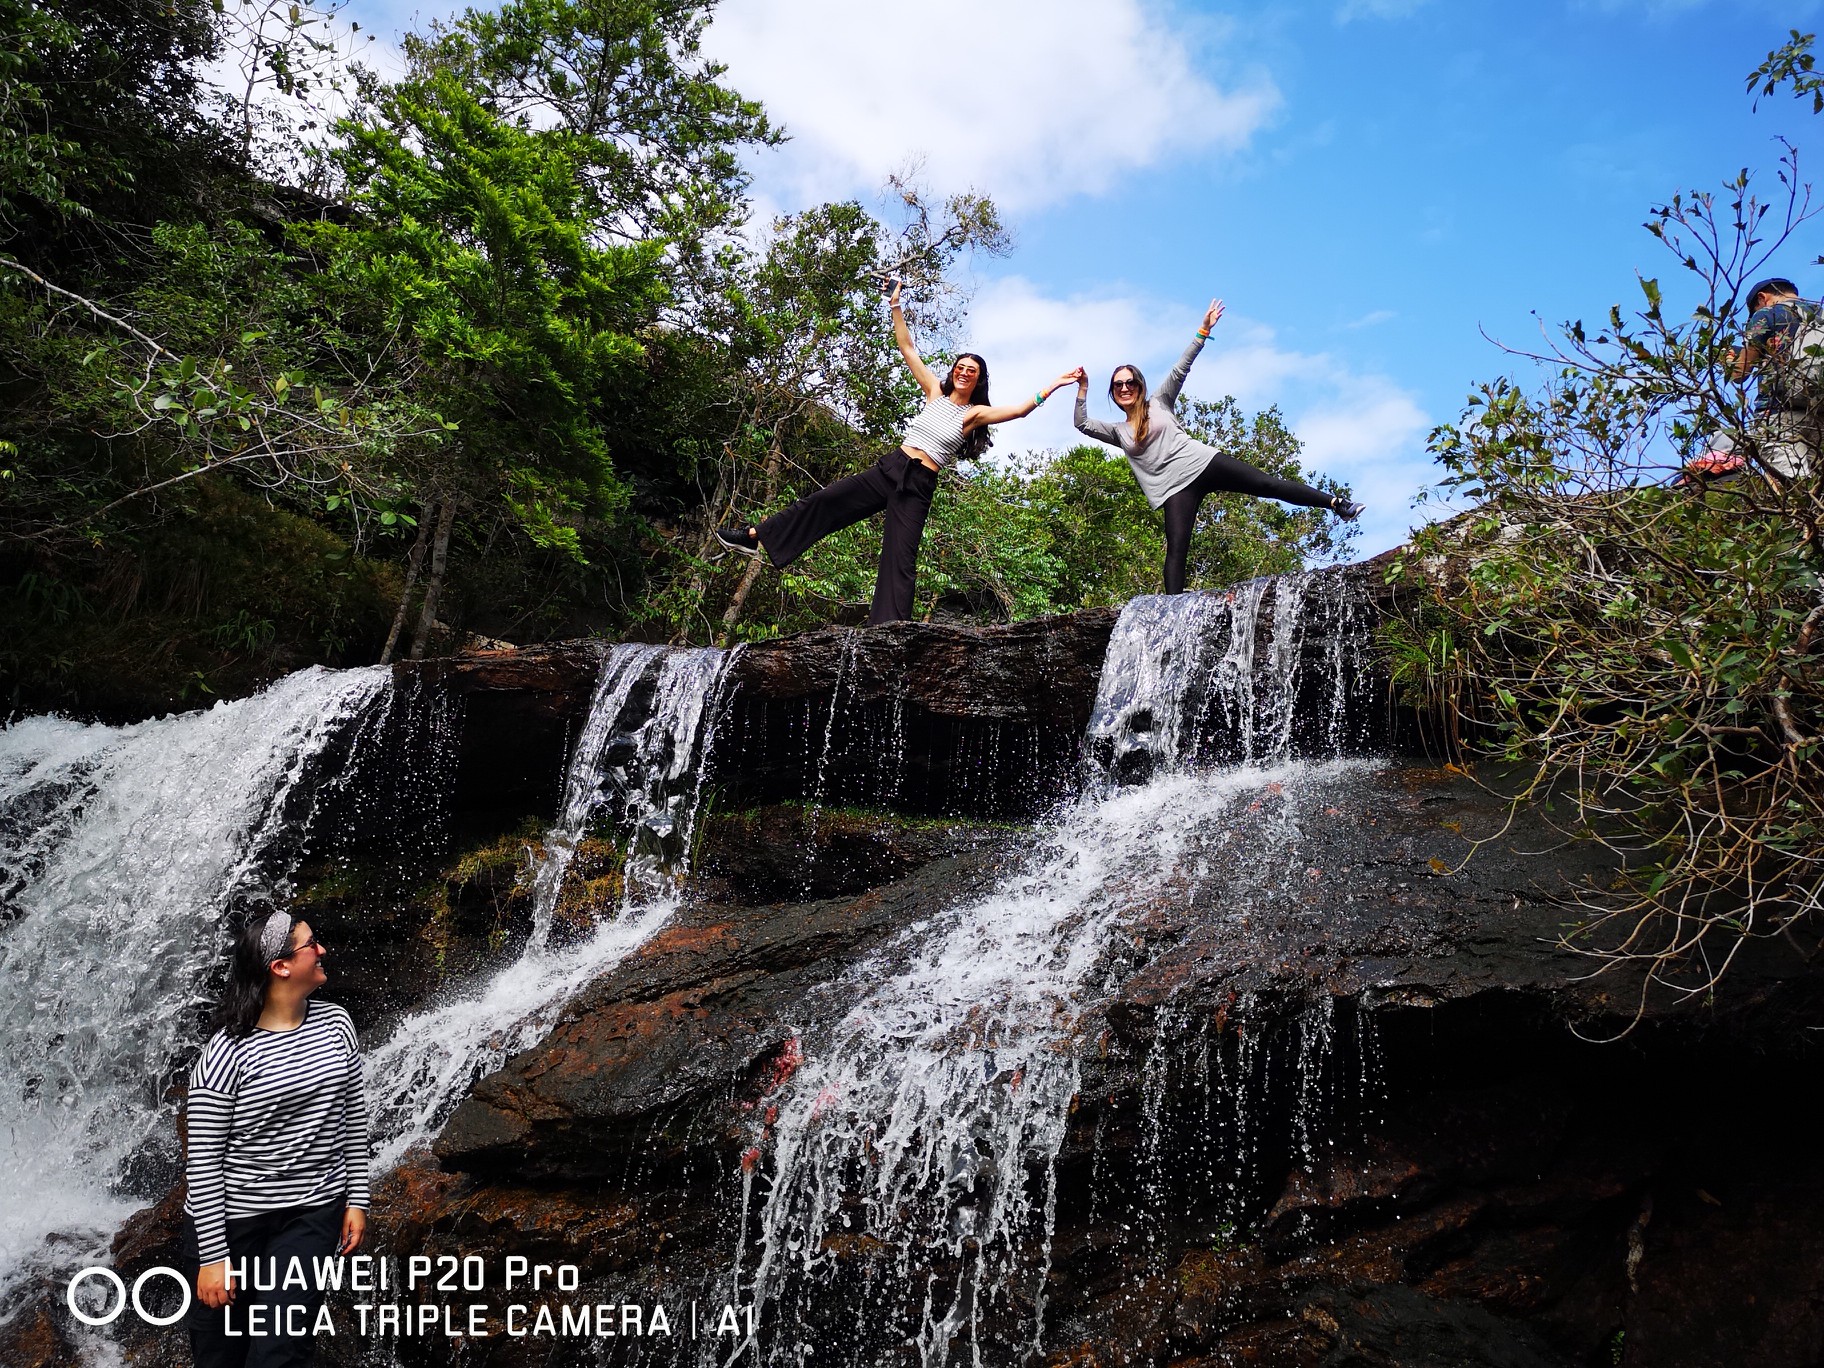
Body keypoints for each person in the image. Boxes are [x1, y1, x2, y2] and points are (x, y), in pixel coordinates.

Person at [717, 280, 1078, 624]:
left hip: (919, 483)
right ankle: (756, 536)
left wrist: (1055, 385)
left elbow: (1019, 410)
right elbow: (907, 348)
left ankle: (889, 631)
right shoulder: (934, 390)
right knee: (825, 501)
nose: (965, 372)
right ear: (953, 373)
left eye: (973, 370)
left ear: (979, 379)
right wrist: (895, 305)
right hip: (891, 467)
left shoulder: (974, 414)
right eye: (961, 367)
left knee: (900, 556)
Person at [1073, 298, 1364, 596]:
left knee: (1268, 484)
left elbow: (1181, 368)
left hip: (1203, 463)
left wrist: (1203, 330)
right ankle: (1172, 611)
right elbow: (1082, 423)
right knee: (1176, 548)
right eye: (1118, 385)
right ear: (1113, 392)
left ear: (1140, 385)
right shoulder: (1118, 432)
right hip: (1175, 490)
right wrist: (1083, 388)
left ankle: (1337, 504)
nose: (1124, 387)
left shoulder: (1159, 402)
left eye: (1130, 382)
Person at [184, 911, 370, 1368]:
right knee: (220, 1357)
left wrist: (357, 1199)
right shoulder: (226, 1053)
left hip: (310, 1215)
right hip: (232, 1225)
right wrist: (213, 1258)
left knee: (280, 1351)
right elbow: (203, 1160)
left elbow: (352, 1119)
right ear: (280, 967)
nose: (322, 950)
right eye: (311, 945)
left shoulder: (337, 1024)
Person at [1728, 276, 1820, 480]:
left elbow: (1740, 373)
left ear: (1762, 297)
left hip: (1779, 413)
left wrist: (1730, 362)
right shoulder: (1820, 313)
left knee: (1793, 489)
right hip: (1820, 413)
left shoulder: (1768, 314)